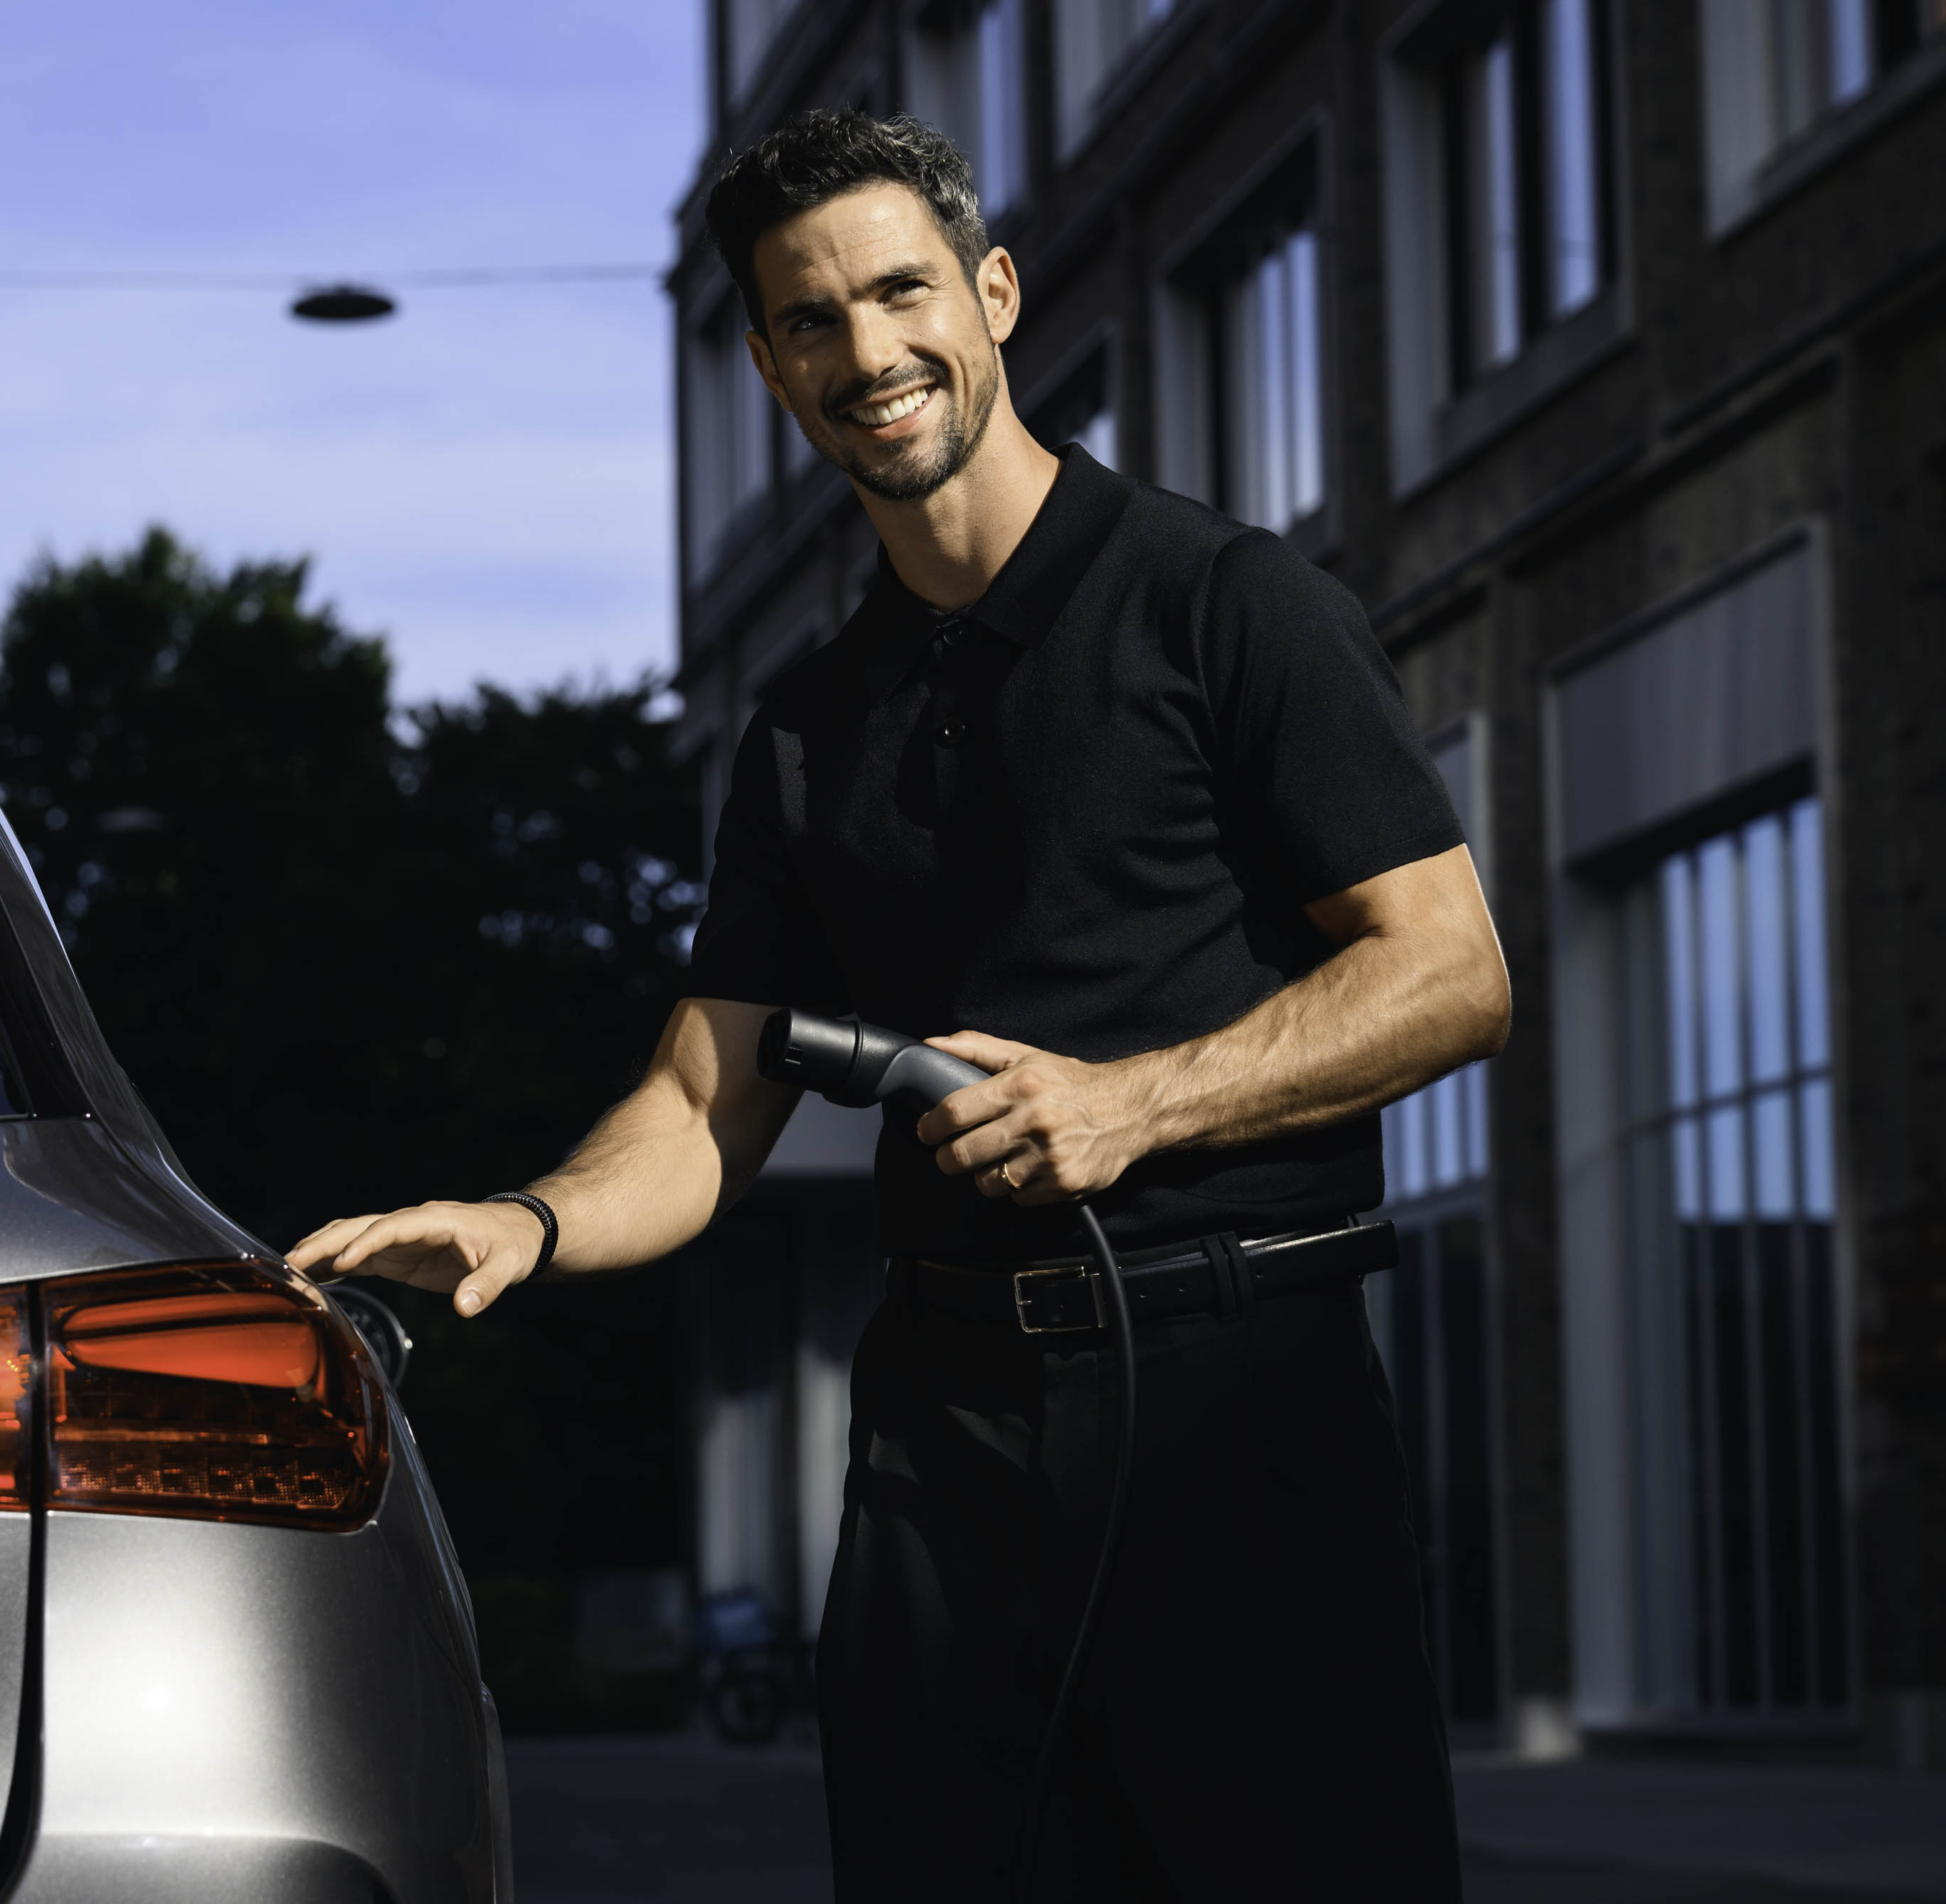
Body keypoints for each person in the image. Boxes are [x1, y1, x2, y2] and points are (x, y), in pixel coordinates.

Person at [288, 109, 1508, 1902]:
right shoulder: (804, 727)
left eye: (897, 292)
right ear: (768, 365)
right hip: (943, 1445)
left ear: (991, 293)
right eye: (808, 319)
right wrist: (522, 1220)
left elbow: (1450, 970)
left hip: (1240, 1405)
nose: (863, 351)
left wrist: (1135, 1101)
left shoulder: (1225, 603)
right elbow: (701, 1102)